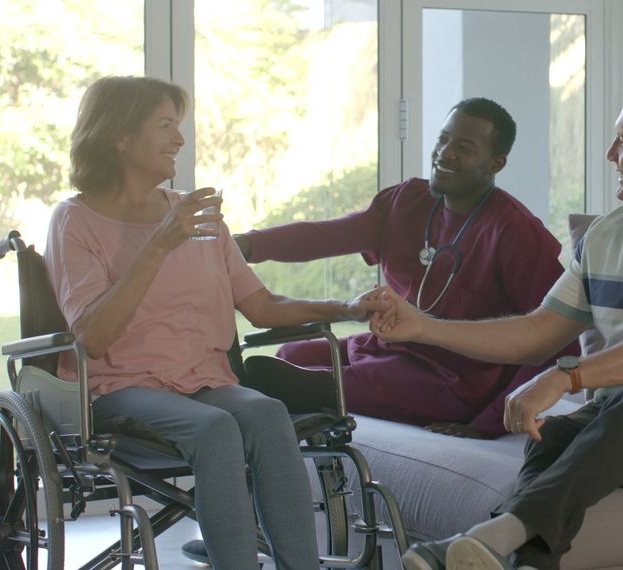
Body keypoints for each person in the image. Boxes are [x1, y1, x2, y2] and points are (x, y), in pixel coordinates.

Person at [370, 72, 623, 570]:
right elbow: (538, 330)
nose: (610, 154)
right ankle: (520, 559)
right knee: (555, 433)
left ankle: (493, 534)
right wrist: (423, 326)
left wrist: (566, 377)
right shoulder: (606, 236)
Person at [44, 75, 383, 570]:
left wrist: (346, 308)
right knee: (216, 429)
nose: (179, 139)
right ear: (120, 135)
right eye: (165, 125)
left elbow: (262, 306)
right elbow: (93, 335)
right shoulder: (75, 221)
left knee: (267, 413)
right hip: (120, 388)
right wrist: (159, 243)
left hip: (202, 380)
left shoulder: (197, 218)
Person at [233, 97, 577, 439]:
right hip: (391, 348)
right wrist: (246, 245)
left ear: (496, 163)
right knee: (292, 354)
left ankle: (311, 392)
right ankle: (301, 393)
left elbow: (557, 339)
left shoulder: (515, 232)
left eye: (464, 147)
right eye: (443, 139)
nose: (445, 153)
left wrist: (488, 421)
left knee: (300, 382)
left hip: (455, 381)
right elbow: (328, 235)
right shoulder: (407, 201)